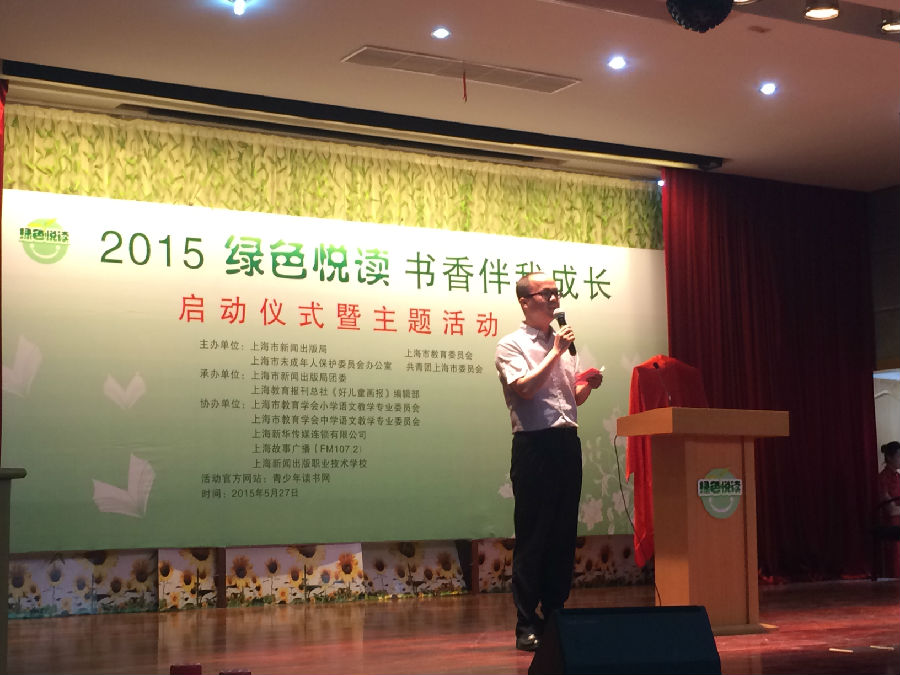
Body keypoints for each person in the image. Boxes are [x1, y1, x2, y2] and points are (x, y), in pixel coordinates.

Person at [494, 272, 604, 651]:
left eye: (557, 292)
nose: (555, 299)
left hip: (566, 443)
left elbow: (569, 397)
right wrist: (556, 352)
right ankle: (527, 622)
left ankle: (556, 613)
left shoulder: (564, 343)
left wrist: (587, 385)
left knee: (562, 534)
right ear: (525, 302)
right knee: (534, 535)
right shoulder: (511, 345)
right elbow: (524, 388)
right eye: (547, 293)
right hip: (534, 446)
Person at [877, 441, 900, 578]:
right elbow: (891, 510)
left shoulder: (898, 477)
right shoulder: (882, 478)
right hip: (892, 524)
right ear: (890, 458)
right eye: (899, 456)